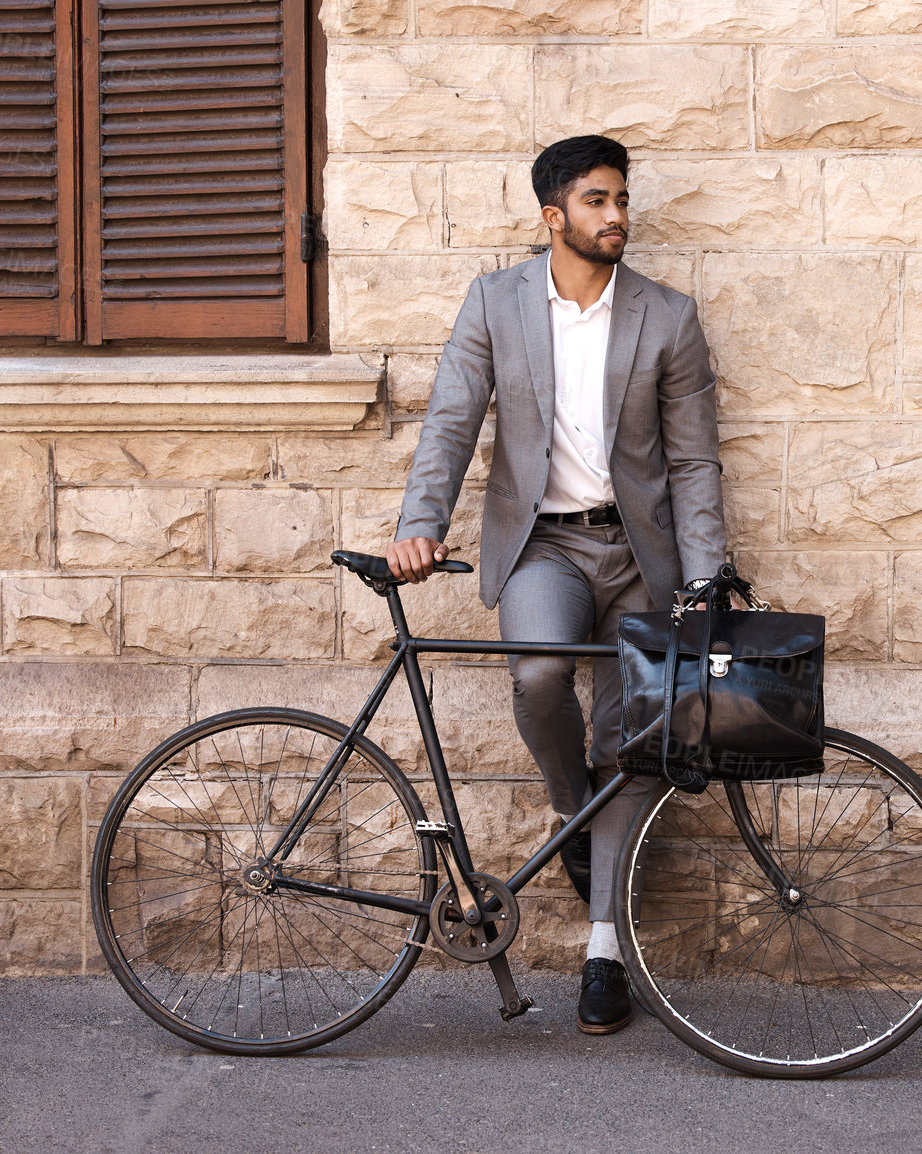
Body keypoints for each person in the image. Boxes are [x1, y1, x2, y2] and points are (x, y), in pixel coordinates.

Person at [386, 134, 726, 1035]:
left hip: (641, 559)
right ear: (553, 216)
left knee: (628, 744)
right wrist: (420, 524)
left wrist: (703, 579)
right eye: (597, 201)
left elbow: (693, 462)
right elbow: (452, 417)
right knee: (538, 674)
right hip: (544, 545)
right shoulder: (497, 301)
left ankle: (604, 953)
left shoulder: (667, 317)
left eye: (621, 199)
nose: (616, 216)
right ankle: (574, 813)